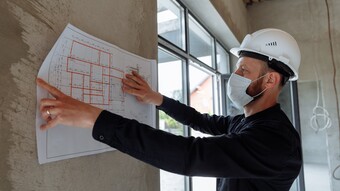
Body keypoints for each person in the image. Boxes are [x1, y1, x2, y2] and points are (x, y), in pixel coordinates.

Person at [37, 28, 302, 191]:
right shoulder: (246, 122)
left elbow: (189, 156)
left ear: (270, 80)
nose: (235, 75)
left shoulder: (275, 141)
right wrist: (158, 98)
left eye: (244, 70)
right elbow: (200, 120)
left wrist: (95, 119)